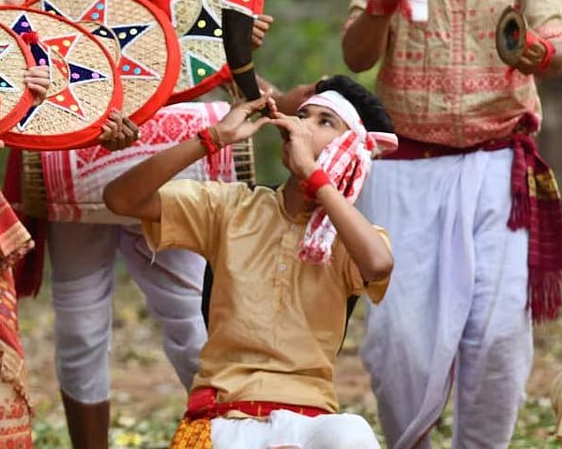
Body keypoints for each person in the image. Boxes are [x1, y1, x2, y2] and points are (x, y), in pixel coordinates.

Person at [0, 0, 230, 444]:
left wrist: (242, 41)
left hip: (169, 133)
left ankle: (225, 436)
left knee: (188, 308)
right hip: (73, 127)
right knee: (81, 317)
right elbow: (10, 4)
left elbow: (210, 27)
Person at [342, 0, 562, 448]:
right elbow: (358, 57)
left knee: (497, 339)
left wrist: (539, 54)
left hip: (500, 166)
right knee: (400, 345)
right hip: (404, 170)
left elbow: (557, 46)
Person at [104, 77, 396, 448]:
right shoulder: (231, 207)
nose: (304, 124)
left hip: (310, 420)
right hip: (223, 415)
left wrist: (315, 175)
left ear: (347, 149)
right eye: (303, 114)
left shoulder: (349, 235)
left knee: (351, 433)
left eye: (325, 122)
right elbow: (121, 200)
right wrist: (211, 140)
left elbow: (378, 264)